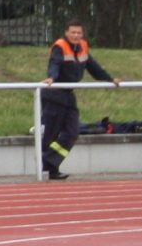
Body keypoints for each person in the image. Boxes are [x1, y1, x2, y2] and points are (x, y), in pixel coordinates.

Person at [39, 20, 117, 180]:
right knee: (51, 135)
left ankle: (47, 160)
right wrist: (51, 77)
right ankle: (52, 169)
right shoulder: (59, 46)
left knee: (73, 132)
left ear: (82, 34)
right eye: (73, 32)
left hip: (68, 96)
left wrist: (110, 79)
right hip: (53, 94)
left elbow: (94, 68)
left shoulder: (83, 47)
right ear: (66, 33)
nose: (76, 35)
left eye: (79, 33)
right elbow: (55, 64)